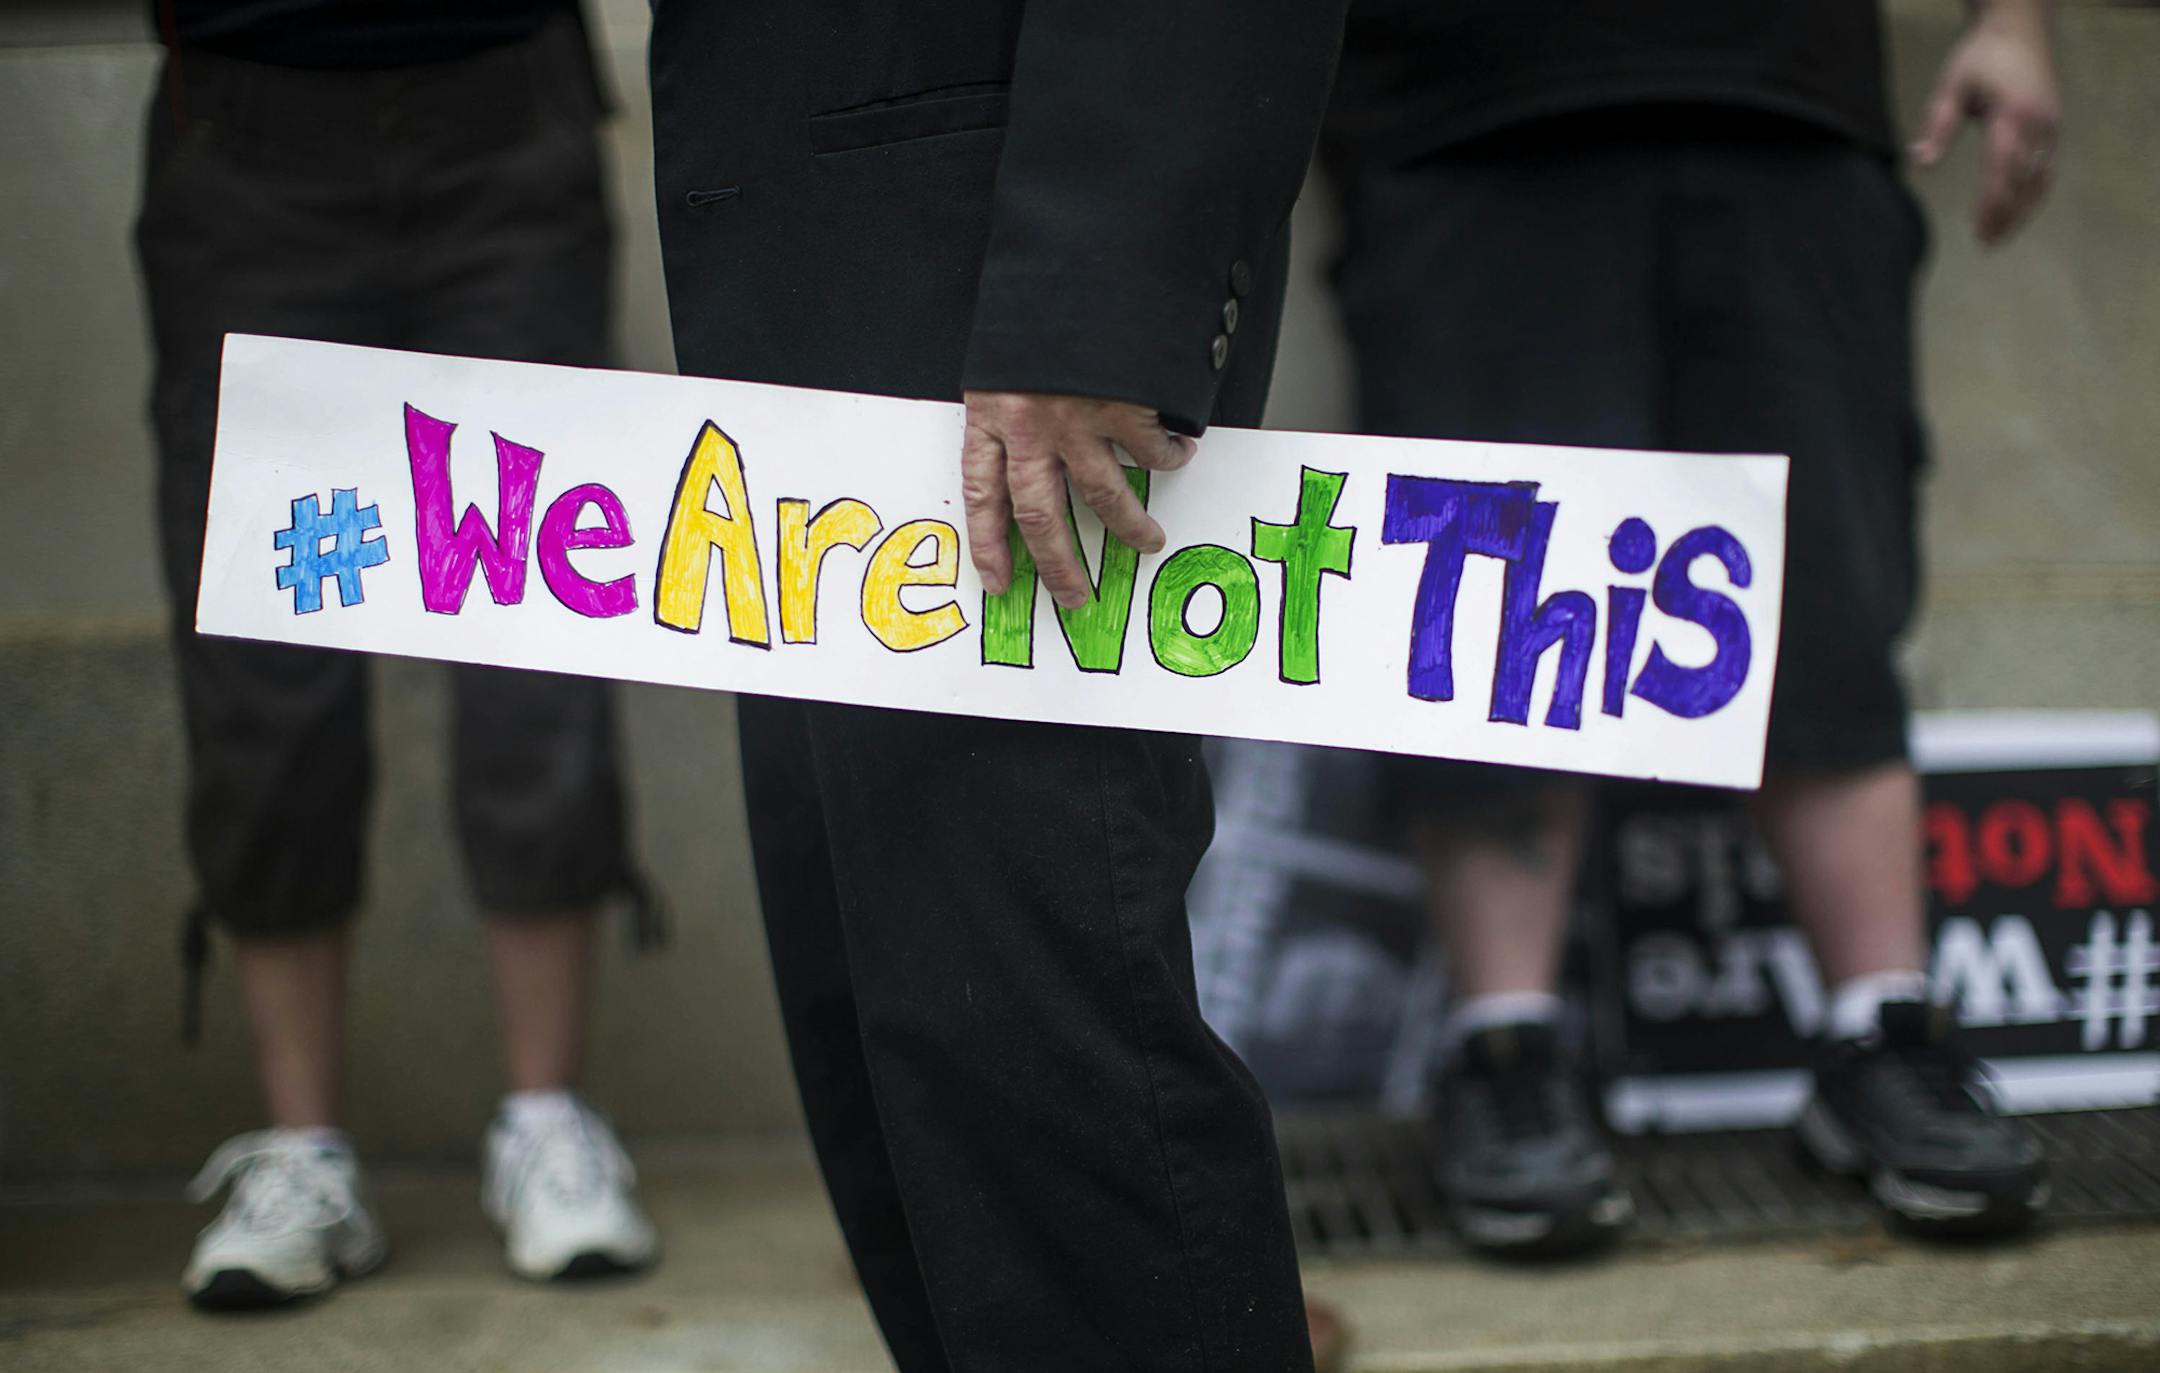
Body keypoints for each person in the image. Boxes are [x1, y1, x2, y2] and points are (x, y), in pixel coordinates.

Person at [647, 1, 1347, 1367]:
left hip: (988, 271)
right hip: (812, 272)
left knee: (1028, 1016)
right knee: (892, 1020)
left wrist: (1094, 288)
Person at [1321, 0, 2063, 1255]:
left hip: (1789, 97)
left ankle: (1884, 1029)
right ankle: (1507, 1047)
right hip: (1460, 107)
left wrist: (2016, 19)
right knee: (1494, 598)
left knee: (1822, 579)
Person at [140, 0, 659, 1307]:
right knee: (265, 657)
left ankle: (546, 1120)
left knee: (535, 632)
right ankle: (303, 1150)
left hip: (505, 95)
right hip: (245, 115)